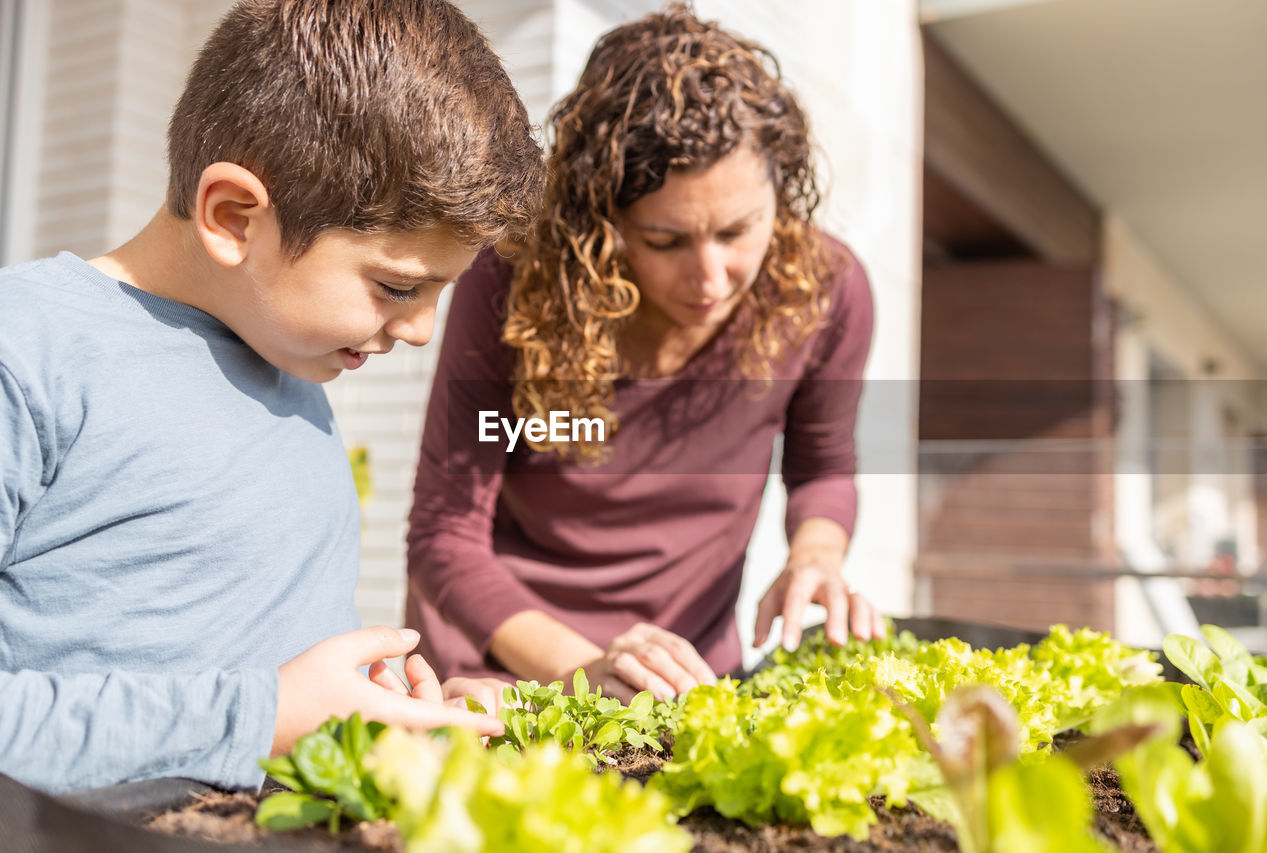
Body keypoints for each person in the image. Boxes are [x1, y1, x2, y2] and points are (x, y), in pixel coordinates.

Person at [0, 0, 544, 793]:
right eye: (397, 284)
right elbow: (261, 707)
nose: (423, 330)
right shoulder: (30, 348)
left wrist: (382, 715)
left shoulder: (292, 366)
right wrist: (261, 716)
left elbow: (270, 676)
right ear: (232, 216)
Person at [405, 4, 884, 703]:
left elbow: (823, 465)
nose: (712, 277)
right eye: (666, 241)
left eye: (739, 230)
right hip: (505, 672)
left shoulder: (827, 292)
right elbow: (445, 534)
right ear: (602, 222)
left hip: (685, 684)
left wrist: (816, 555)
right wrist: (586, 670)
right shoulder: (514, 279)